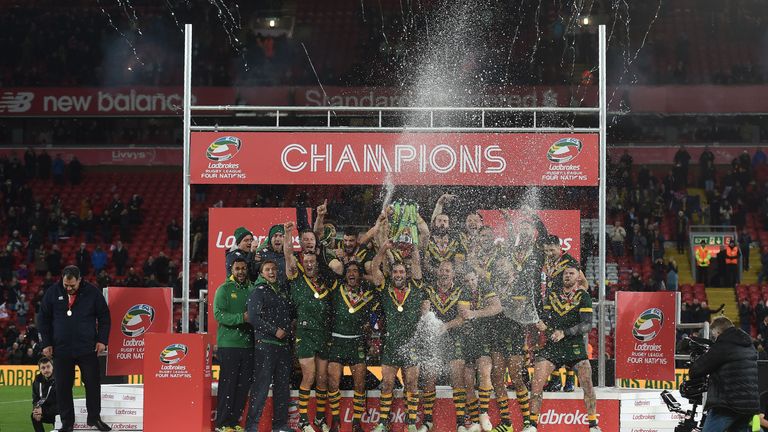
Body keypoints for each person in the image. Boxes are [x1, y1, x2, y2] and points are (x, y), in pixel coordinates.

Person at [524, 265, 600, 432]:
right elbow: (546, 319)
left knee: (587, 382)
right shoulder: (552, 296)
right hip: (553, 346)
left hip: (574, 346)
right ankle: (531, 424)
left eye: (571, 273)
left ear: (578, 278)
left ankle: (593, 425)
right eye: (565, 273)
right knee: (536, 383)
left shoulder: (583, 296)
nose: (567, 276)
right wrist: (543, 324)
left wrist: (564, 333)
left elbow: (587, 325)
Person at [38, 265, 111, 432]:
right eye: (66, 285)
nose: (69, 288)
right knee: (63, 387)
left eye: (72, 285)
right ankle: (67, 423)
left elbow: (104, 316)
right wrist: (46, 343)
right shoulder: (53, 292)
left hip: (87, 348)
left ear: (79, 280)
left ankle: (94, 418)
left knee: (93, 384)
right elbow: (43, 319)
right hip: (61, 349)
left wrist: (102, 340)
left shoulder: (92, 292)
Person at [370, 235, 428, 432]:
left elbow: (418, 263)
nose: (398, 274)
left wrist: (414, 249)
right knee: (387, 385)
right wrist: (382, 250)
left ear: (406, 273)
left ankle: (411, 424)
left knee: (411, 384)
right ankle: (383, 423)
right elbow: (373, 269)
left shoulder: (417, 287)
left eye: (402, 271)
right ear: (392, 273)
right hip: (392, 344)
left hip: (412, 344)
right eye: (395, 271)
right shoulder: (385, 288)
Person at [284, 221, 337, 432]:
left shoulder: (325, 281)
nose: (309, 264)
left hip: (323, 334)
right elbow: (288, 255)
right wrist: (288, 234)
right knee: (309, 376)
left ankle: (321, 418)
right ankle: (304, 419)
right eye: (305, 261)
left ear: (316, 262)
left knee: (322, 379)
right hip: (305, 334)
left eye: (312, 261)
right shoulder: (296, 279)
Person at [326, 261, 378, 432]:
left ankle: (356, 421)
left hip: (356, 343)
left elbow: (376, 315)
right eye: (349, 271)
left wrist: (370, 327)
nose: (352, 274)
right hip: (337, 341)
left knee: (360, 383)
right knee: (333, 382)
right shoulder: (335, 289)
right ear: (345, 274)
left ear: (360, 275)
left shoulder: (368, 295)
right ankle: (335, 419)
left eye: (356, 271)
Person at [244, 260, 294, 432]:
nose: (271, 272)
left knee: (282, 388)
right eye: (267, 269)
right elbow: (253, 317)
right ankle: (251, 427)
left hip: (283, 347)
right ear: (261, 273)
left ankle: (279, 425)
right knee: (261, 388)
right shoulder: (258, 291)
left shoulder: (281, 291)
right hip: (265, 346)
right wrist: (274, 331)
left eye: (273, 269)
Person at [689, 316, 759, 432]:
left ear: (718, 332)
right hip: (749, 405)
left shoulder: (723, 345)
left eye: (714, 335)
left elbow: (696, 370)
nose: (714, 339)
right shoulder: (748, 344)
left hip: (728, 404)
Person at [213, 257, 256, 432]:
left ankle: (233, 422)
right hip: (229, 345)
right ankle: (221, 423)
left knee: (243, 386)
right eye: (237, 268)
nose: (241, 272)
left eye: (243, 268)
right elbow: (218, 314)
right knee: (228, 385)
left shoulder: (252, 289)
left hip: (248, 345)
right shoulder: (224, 289)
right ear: (232, 270)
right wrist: (241, 318)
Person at [458, 270, 502, 432]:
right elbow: (462, 313)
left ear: (478, 278)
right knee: (468, 379)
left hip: (486, 335)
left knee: (484, 370)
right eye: (467, 280)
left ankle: (483, 412)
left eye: (473, 279)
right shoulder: (463, 292)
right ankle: (475, 421)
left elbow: (497, 307)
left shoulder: (486, 287)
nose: (471, 283)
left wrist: (475, 313)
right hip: (468, 338)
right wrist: (471, 314)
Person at [31, 356, 57, 432]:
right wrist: (37, 409)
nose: (46, 370)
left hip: (59, 411)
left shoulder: (60, 379)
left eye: (48, 367)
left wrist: (44, 411)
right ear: (40, 369)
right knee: (34, 416)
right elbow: (35, 398)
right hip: (45, 410)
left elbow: (62, 402)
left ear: (53, 367)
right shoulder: (37, 380)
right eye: (43, 368)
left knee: (59, 417)